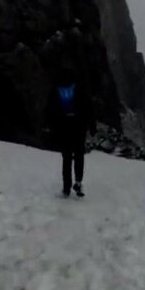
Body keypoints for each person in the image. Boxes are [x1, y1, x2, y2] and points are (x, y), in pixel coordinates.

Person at [47, 66, 95, 197]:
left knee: (66, 158)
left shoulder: (55, 90)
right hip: (79, 127)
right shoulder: (79, 88)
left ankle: (66, 187)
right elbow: (88, 107)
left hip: (63, 128)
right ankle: (78, 182)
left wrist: (50, 126)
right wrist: (92, 126)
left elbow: (49, 109)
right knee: (79, 155)